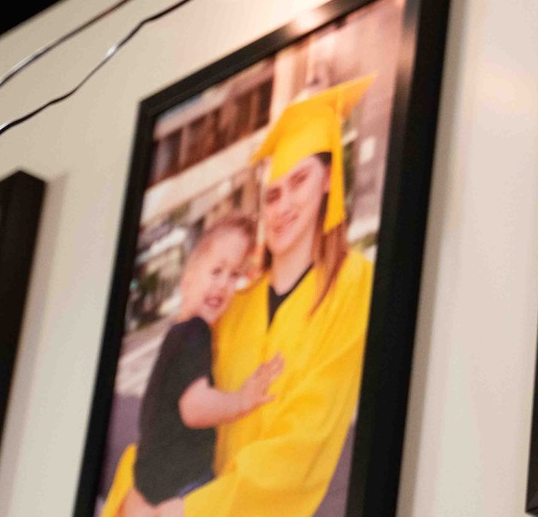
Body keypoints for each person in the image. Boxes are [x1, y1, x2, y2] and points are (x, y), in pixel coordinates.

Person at [106, 77, 377, 517]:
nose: (283, 205)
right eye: (273, 193)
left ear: (329, 178)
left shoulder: (352, 285)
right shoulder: (236, 304)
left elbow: (302, 447)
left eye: (300, 180)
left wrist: (185, 511)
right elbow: (169, 417)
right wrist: (130, 496)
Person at [125, 217, 281, 509]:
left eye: (234, 275)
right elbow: (194, 409)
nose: (223, 284)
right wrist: (242, 400)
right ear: (188, 280)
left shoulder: (176, 337)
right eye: (216, 270)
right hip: (183, 486)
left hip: (154, 483)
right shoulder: (194, 332)